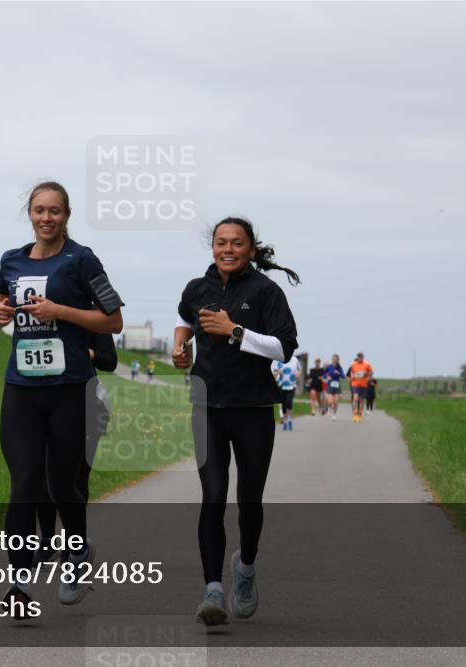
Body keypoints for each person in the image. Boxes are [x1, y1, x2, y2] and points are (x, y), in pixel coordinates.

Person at [0, 181, 124, 614]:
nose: (46, 218)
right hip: (22, 389)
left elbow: (114, 321)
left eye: (55, 211)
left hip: (70, 389)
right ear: (29, 214)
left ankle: (77, 554)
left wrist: (60, 311)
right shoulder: (11, 260)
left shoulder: (82, 260)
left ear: (67, 216)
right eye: (39, 210)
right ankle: (19, 584)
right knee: (24, 484)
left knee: (62, 484)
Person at [172, 217, 299, 626]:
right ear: (212, 247)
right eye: (221, 242)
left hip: (254, 409)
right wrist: (180, 346)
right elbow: (184, 321)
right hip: (207, 407)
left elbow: (283, 349)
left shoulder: (265, 291)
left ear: (250, 249)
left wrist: (234, 330)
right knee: (212, 496)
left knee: (249, 501)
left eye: (237, 243)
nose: (228, 249)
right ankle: (212, 590)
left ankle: (244, 568)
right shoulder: (197, 288)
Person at [35, 333, 117, 563]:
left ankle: (74, 545)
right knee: (43, 476)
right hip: (43, 401)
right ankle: (47, 541)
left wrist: (85, 353)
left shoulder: (91, 313)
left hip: (88, 404)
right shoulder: (40, 311)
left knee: (75, 479)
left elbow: (110, 361)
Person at [271, 356, 300, 430]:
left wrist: (298, 374)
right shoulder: (277, 360)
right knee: (283, 403)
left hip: (292, 385)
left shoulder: (294, 359)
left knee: (289, 402)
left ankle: (289, 419)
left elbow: (299, 369)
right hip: (281, 385)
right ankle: (285, 420)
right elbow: (273, 373)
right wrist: (278, 372)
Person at [348, 352, 374, 422]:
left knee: (362, 400)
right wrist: (352, 376)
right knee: (355, 398)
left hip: (363, 385)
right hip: (355, 384)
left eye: (361, 357)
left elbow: (372, 372)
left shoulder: (367, 364)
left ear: (363, 357)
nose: (360, 358)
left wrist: (367, 373)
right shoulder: (353, 364)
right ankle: (355, 413)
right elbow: (351, 372)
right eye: (359, 357)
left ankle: (360, 414)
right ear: (357, 357)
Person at [324, 354, 346, 421]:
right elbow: (324, 374)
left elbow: (343, 376)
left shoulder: (339, 367)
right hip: (330, 384)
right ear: (332, 359)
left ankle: (334, 414)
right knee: (330, 401)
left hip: (337, 385)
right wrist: (327, 375)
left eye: (336, 359)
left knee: (336, 402)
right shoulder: (329, 366)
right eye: (334, 358)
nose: (335, 360)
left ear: (338, 360)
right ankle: (329, 408)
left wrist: (338, 373)